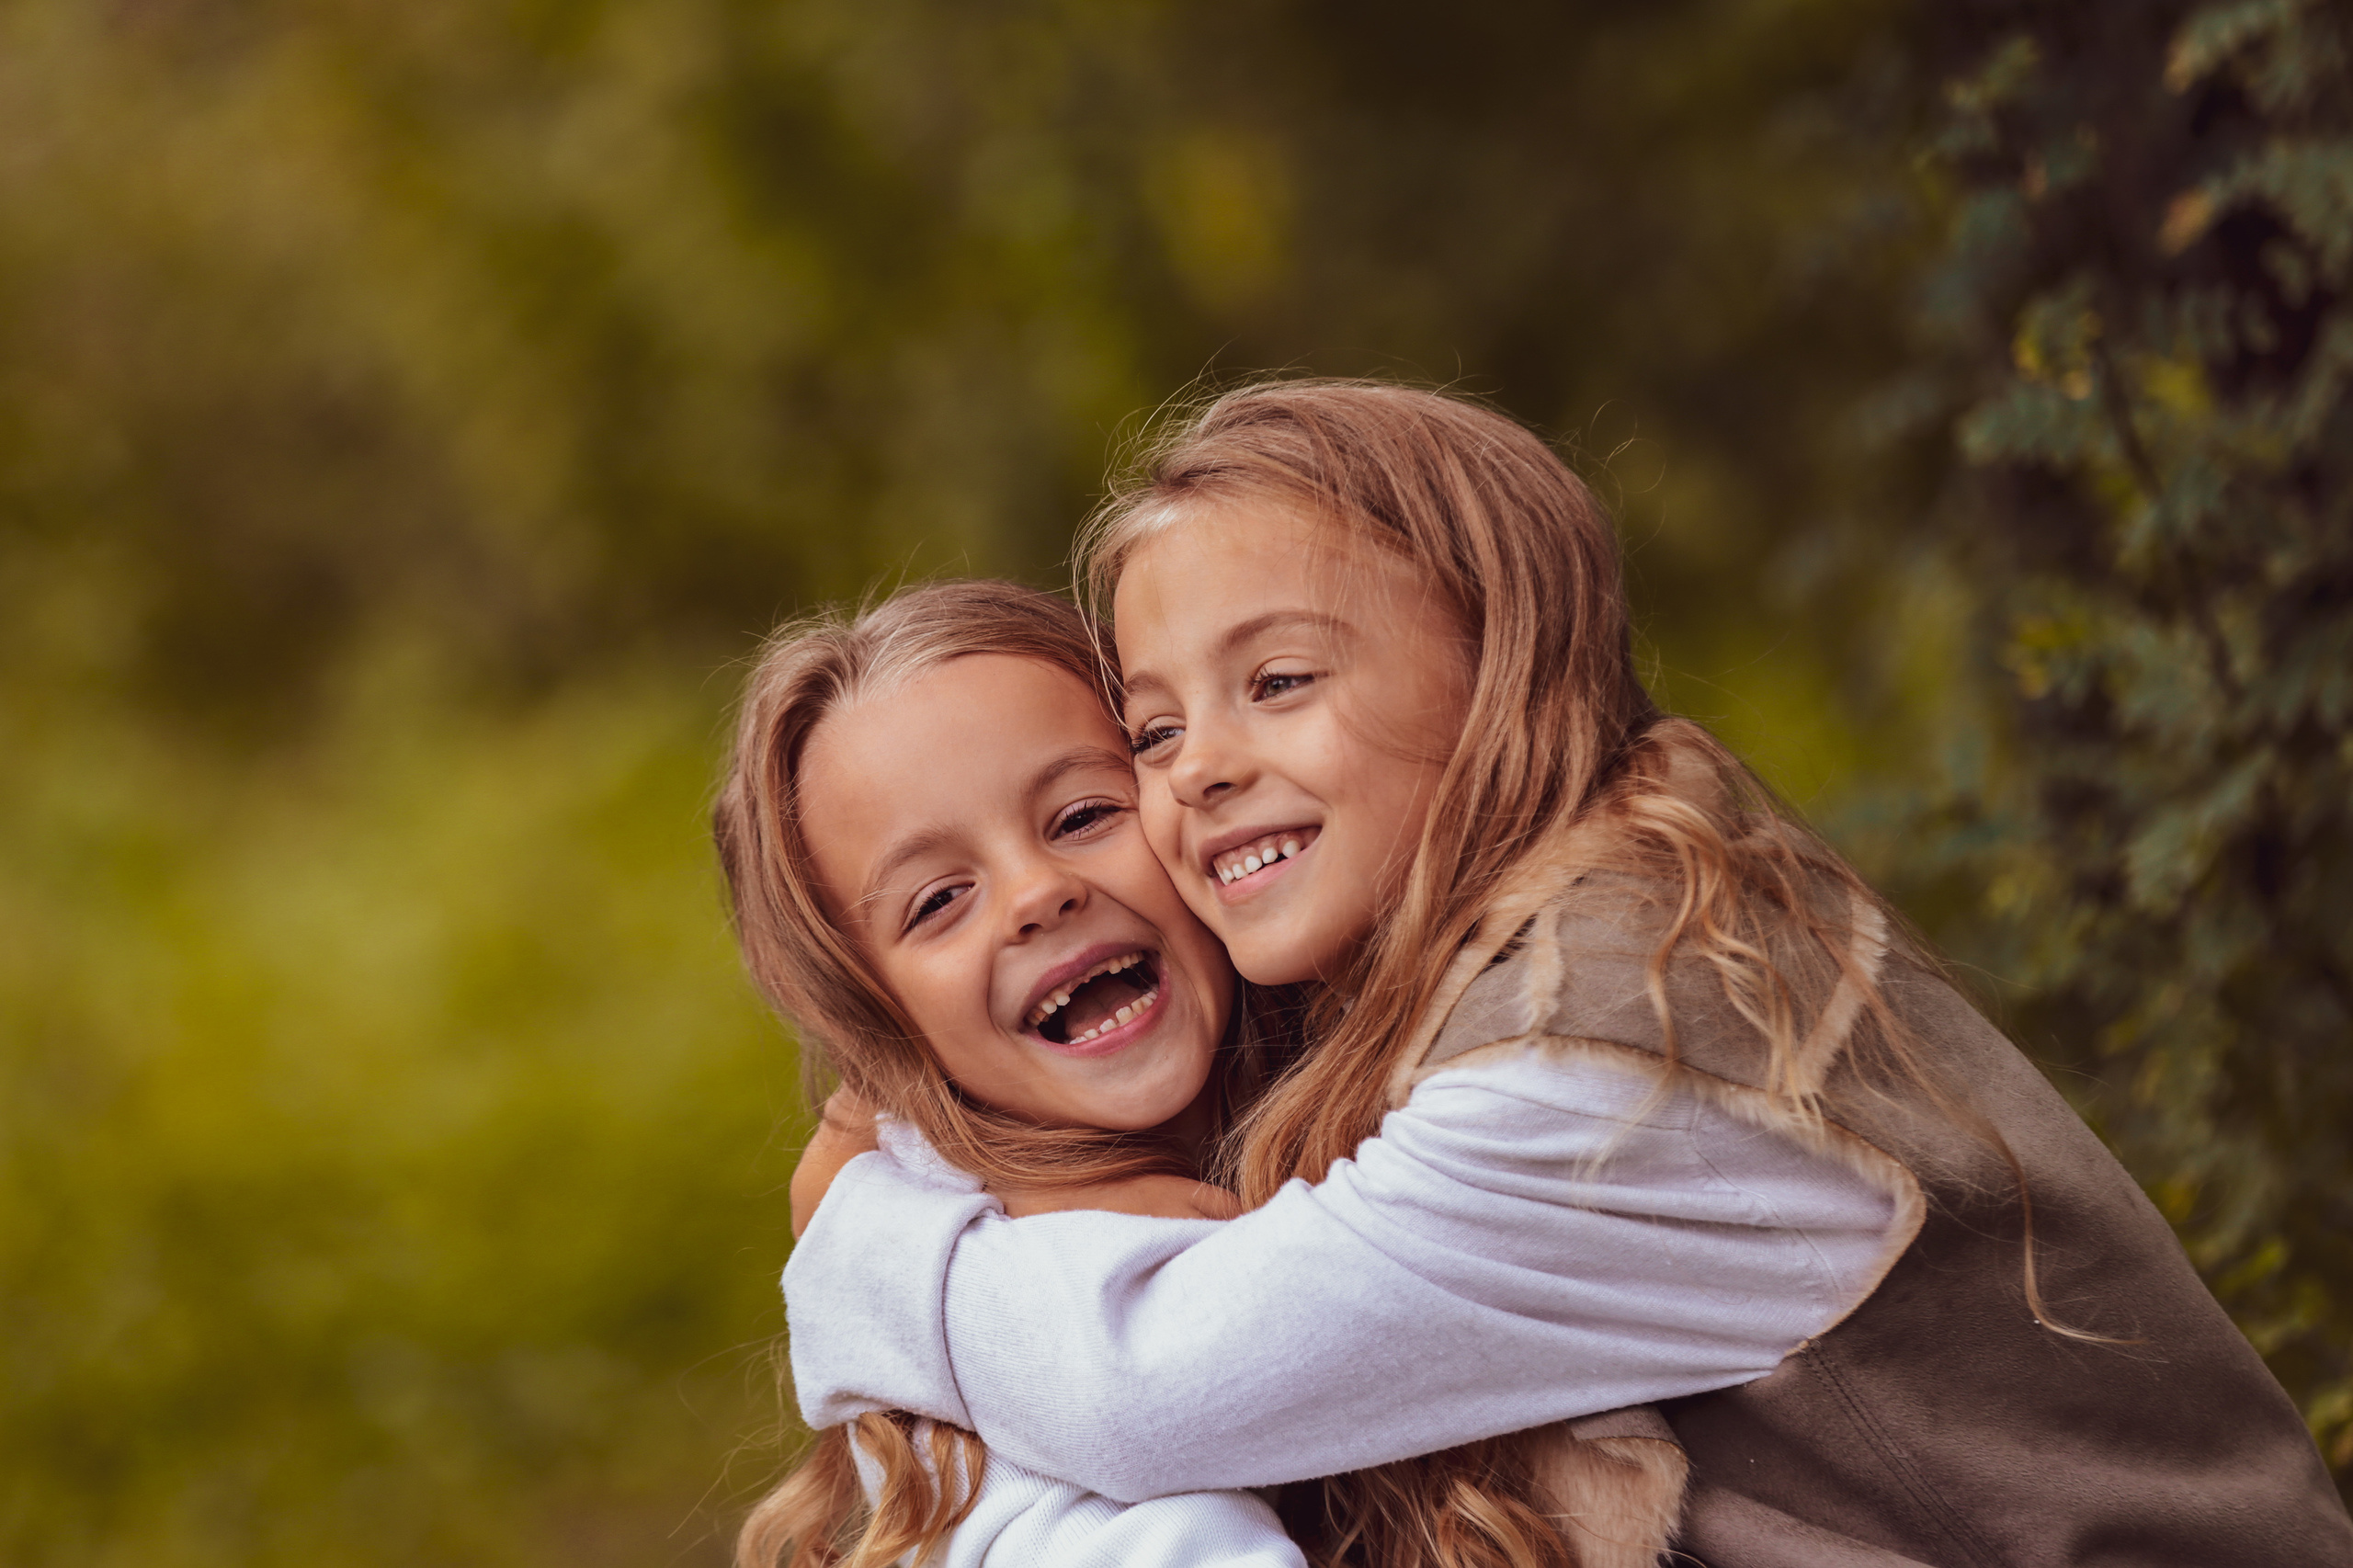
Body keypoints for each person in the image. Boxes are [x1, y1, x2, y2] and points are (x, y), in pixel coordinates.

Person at [785, 381, 2353, 1566]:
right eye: (1157, 729)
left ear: (1505, 666)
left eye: (1278, 681)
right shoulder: (1450, 981)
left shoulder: (1615, 1053)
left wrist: (862, 1236)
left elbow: (1160, 1387)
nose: (1197, 773)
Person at [712, 580, 1305, 1568]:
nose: (1036, 894)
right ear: (878, 1015)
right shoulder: (980, 1447)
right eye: (938, 898)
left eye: (1080, 815)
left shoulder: (1427, 1063)